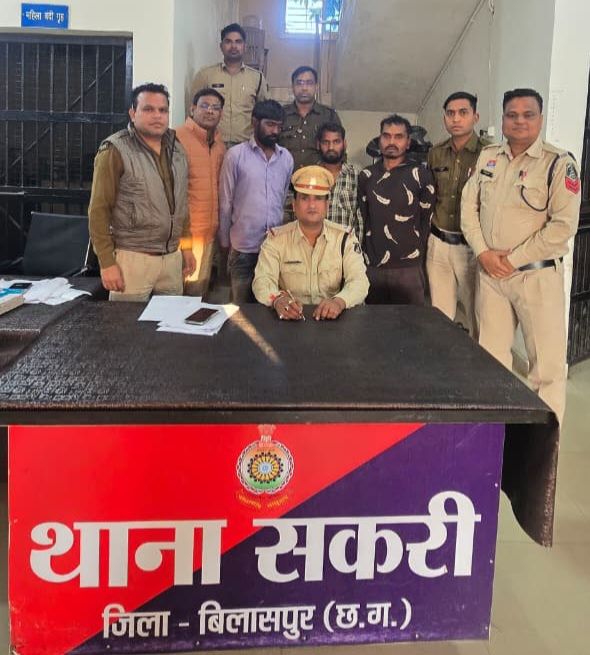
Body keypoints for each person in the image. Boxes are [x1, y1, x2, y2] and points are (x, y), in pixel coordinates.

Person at [461, 88, 581, 424]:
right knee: (491, 360)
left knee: (546, 370)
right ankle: (496, 432)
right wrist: (483, 252)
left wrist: (510, 261)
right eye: (512, 115)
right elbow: (468, 208)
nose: (519, 121)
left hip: (535, 277)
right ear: (503, 119)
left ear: (540, 119)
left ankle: (544, 445)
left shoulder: (559, 163)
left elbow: (562, 227)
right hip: (490, 275)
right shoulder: (488, 157)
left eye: (528, 115)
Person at [88, 82, 195, 302]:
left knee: (168, 322)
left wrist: (186, 247)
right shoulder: (115, 150)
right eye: (148, 109)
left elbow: (181, 204)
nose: (157, 116)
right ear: (133, 113)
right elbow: (99, 211)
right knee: (126, 323)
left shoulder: (176, 148)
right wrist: (107, 263)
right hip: (133, 258)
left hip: (171, 259)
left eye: (163, 110)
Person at [253, 166, 369, 320]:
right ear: (294, 205)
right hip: (290, 321)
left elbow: (360, 281)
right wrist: (277, 299)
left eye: (318, 198)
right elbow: (262, 280)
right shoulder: (276, 240)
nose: (312, 205)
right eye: (304, 198)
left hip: (333, 322)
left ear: (327, 205)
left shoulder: (344, 239)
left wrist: (339, 301)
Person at [218, 99, 293, 304]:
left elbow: (282, 197)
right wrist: (224, 244)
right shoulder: (235, 156)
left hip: (274, 248)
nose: (275, 131)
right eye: (270, 124)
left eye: (279, 126)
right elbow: (225, 203)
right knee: (239, 308)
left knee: (269, 306)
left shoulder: (286, 158)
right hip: (243, 248)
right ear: (254, 122)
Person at [427, 91, 489, 336]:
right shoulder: (436, 153)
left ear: (475, 117)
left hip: (472, 247)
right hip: (439, 243)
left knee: (478, 314)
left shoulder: (489, 154)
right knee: (440, 314)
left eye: (463, 113)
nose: (456, 119)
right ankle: (444, 356)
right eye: (450, 113)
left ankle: (476, 358)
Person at [358, 114, 435, 305]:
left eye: (398, 136)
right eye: (386, 136)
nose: (391, 142)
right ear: (380, 140)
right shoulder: (366, 175)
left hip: (408, 269)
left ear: (408, 142)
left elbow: (426, 220)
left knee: (411, 321)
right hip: (373, 268)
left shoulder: (421, 175)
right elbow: (363, 218)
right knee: (373, 321)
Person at [175, 87, 226, 297]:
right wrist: (183, 240)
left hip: (209, 235)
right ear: (192, 109)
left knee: (197, 295)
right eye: (204, 106)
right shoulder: (177, 138)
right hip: (184, 237)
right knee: (178, 297)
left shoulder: (219, 144)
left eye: (216, 107)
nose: (210, 111)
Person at [190, 23, 269, 148]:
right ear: (221, 46)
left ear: (244, 47)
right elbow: (192, 112)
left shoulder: (257, 78)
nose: (233, 46)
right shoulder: (205, 75)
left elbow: (264, 114)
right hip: (211, 145)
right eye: (228, 42)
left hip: (246, 147)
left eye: (238, 42)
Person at [279, 66, 341, 170]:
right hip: (285, 177)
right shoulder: (280, 114)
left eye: (309, 83)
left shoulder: (329, 115)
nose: (304, 88)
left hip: (320, 177)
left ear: (316, 86)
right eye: (299, 83)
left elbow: (339, 150)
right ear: (292, 87)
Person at [317, 122, 362, 240]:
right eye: (325, 142)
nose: (331, 147)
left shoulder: (356, 176)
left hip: (345, 248)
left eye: (336, 142)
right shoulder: (310, 176)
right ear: (318, 145)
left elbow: (360, 220)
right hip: (314, 247)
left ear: (344, 144)